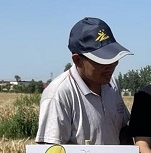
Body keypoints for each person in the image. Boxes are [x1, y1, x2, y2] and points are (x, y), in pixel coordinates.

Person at [36, 17, 133, 145]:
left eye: (113, 58)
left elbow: (122, 128)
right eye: (102, 61)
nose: (111, 65)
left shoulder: (112, 83)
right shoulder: (59, 94)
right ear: (77, 60)